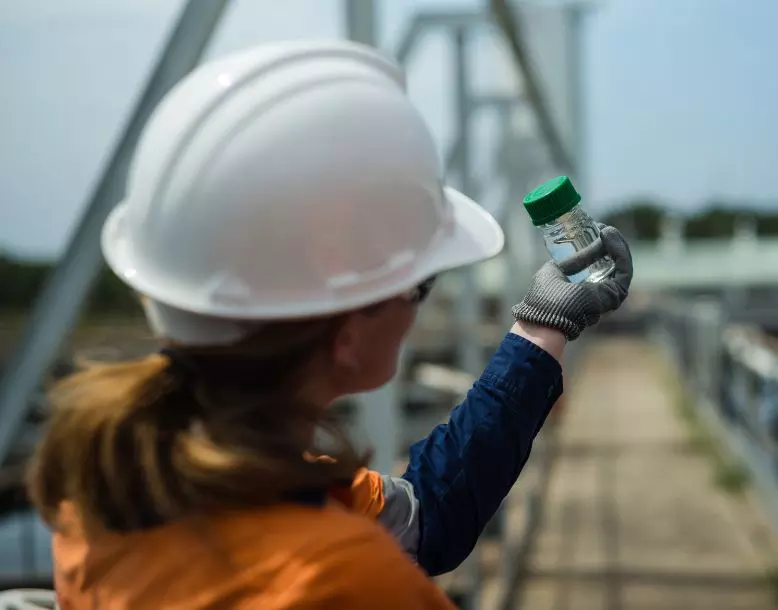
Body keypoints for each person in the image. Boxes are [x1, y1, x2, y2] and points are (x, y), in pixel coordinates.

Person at [24, 40, 632, 609]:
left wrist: (538, 331)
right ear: (346, 333)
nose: (420, 300)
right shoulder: (344, 582)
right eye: (419, 283)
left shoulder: (106, 491)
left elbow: (429, 518)